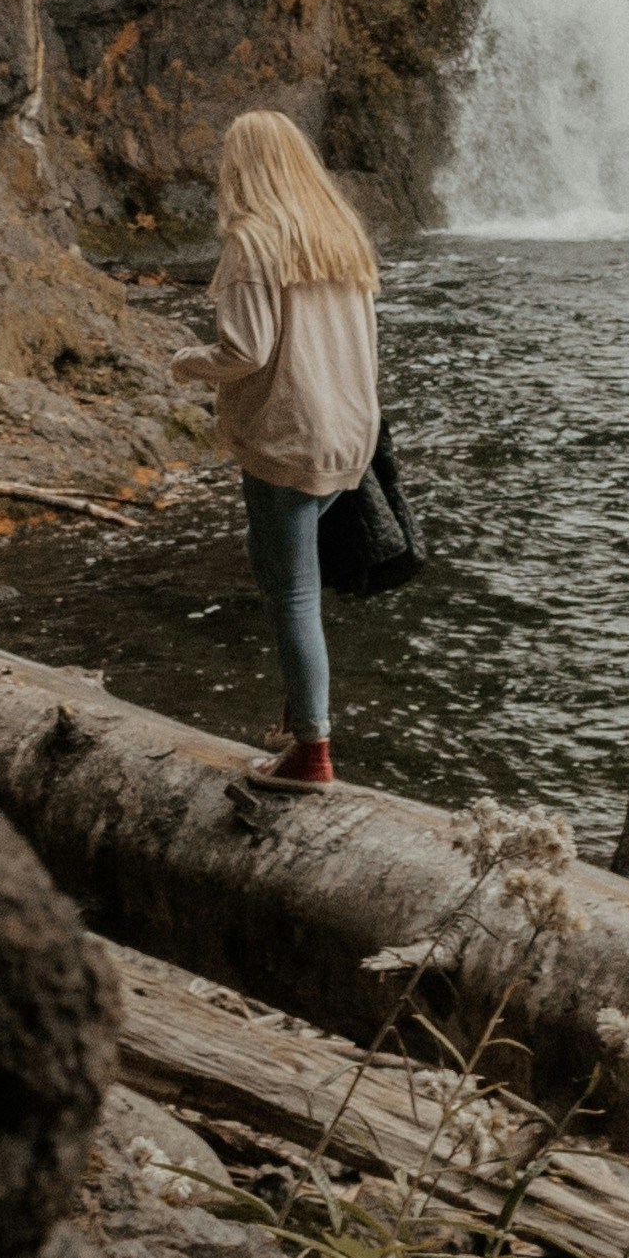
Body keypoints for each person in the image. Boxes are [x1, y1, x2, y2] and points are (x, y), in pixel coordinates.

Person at [170, 107, 382, 790]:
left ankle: (311, 750)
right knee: (291, 577)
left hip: (288, 436)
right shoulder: (339, 234)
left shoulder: (253, 242)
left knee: (290, 594)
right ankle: (301, 706)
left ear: (245, 167)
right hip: (348, 430)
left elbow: (244, 351)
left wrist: (183, 362)